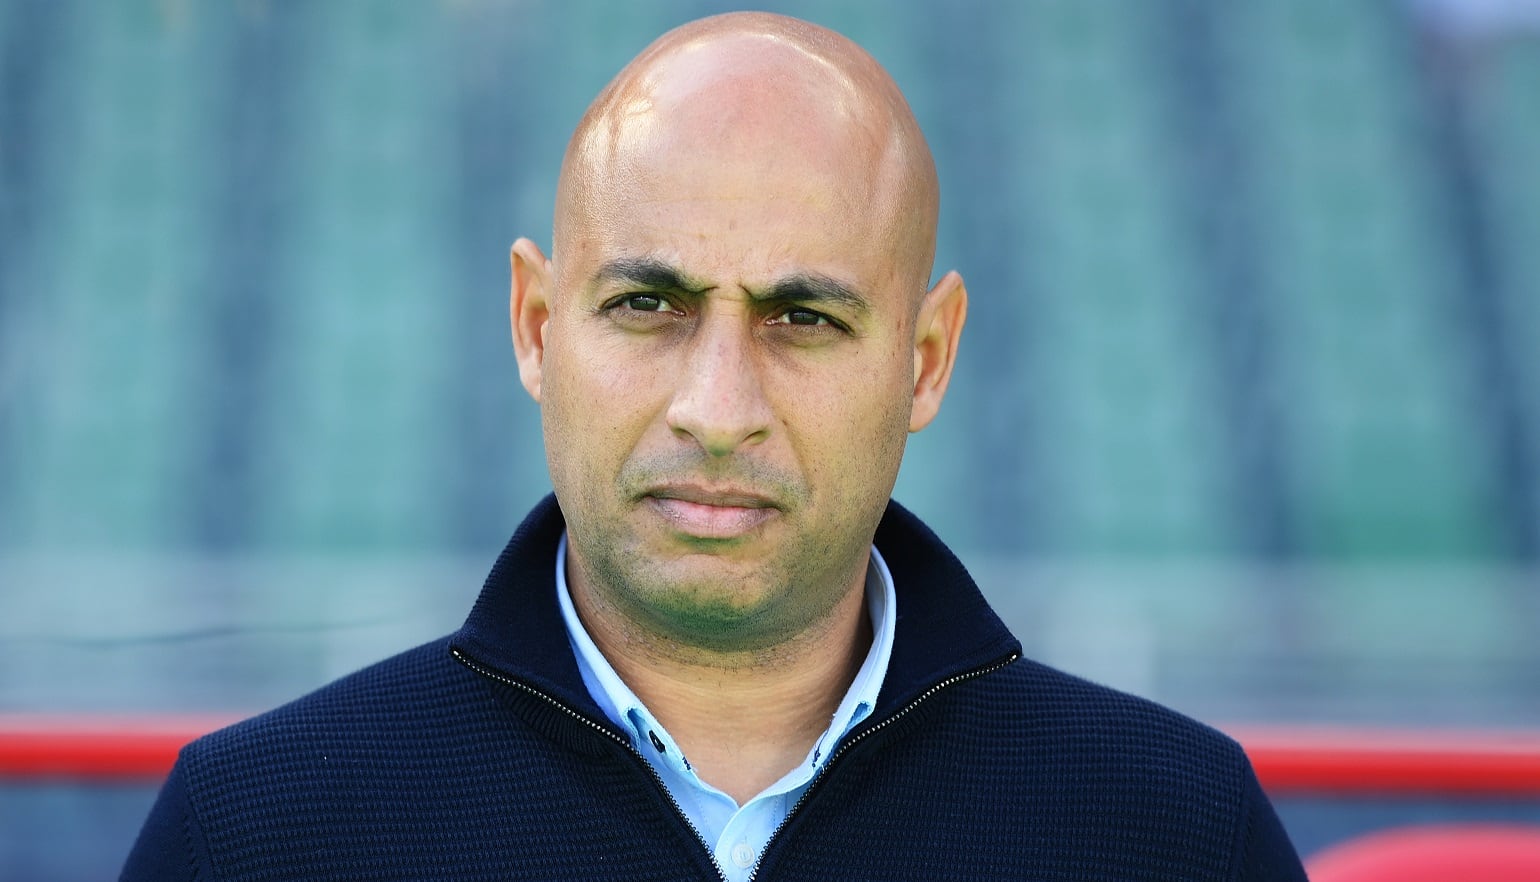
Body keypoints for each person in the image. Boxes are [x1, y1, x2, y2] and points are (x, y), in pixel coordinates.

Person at [123, 12, 1307, 881]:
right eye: (648, 306)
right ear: (538, 328)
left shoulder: (1176, 832)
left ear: (926, 359)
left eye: (805, 318)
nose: (717, 404)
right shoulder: (254, 835)